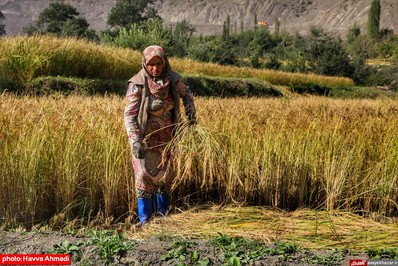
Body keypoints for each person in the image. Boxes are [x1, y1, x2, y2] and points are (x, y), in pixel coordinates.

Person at [124, 45, 196, 226]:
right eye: (151, 65)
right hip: (145, 142)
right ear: (145, 64)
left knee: (164, 178)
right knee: (143, 177)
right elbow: (129, 116)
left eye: (158, 64)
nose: (155, 69)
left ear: (164, 63)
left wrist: (191, 117)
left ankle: (163, 220)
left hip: (168, 140)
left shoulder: (173, 80)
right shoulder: (138, 84)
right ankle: (145, 221)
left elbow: (187, 96)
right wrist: (135, 141)